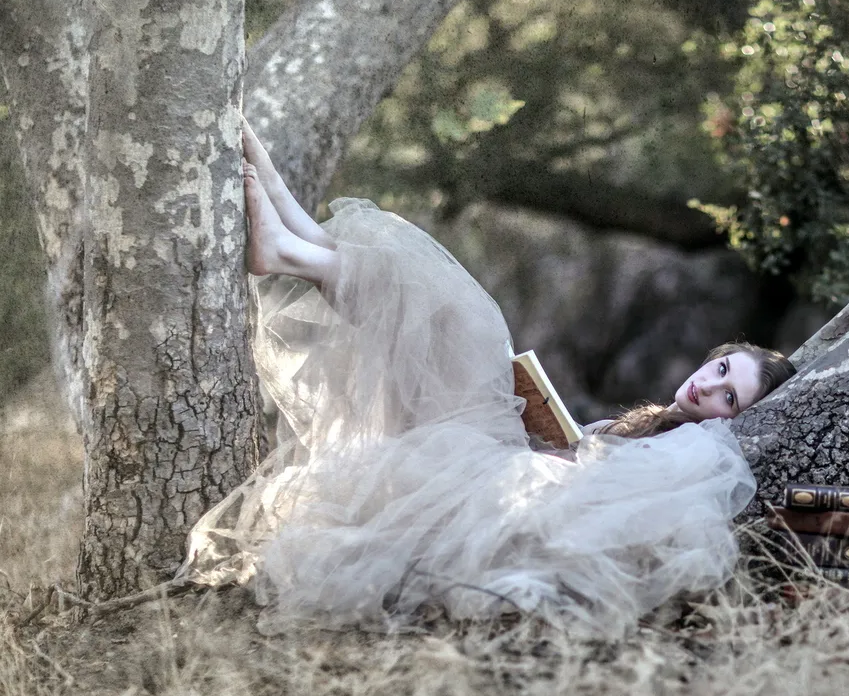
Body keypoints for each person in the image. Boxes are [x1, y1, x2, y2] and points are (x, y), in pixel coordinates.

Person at [181, 120, 796, 634]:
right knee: (441, 322)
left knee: (464, 320)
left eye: (728, 395)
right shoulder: (663, 423)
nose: (708, 386)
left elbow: (608, 510)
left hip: (502, 502)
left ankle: (291, 241)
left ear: (737, 416)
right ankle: (294, 230)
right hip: (507, 475)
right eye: (719, 368)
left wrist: (564, 459)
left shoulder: (702, 448)